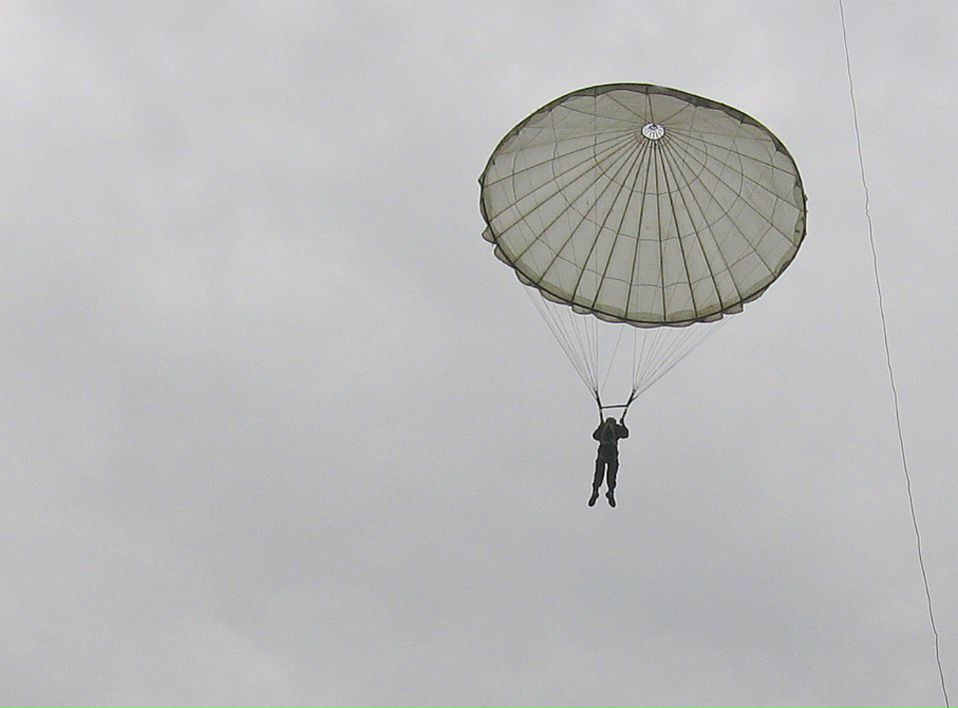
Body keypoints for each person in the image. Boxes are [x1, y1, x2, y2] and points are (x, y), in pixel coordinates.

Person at [590, 415, 629, 507]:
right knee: (609, 473)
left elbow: (595, 436)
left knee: (601, 473)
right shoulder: (615, 428)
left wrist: (600, 426)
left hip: (605, 451)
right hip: (610, 452)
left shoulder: (606, 428)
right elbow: (625, 434)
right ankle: (606, 490)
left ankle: (599, 490)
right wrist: (623, 423)